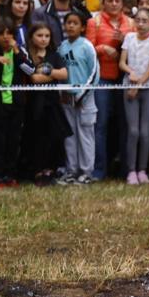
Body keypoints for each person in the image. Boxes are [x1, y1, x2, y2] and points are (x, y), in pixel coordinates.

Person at [86, 0, 132, 180]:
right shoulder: (93, 22)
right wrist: (103, 47)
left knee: (125, 124)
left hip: (125, 77)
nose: (113, 4)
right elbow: (87, 50)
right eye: (110, 0)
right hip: (102, 77)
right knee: (101, 124)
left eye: (117, 1)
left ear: (122, 4)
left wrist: (124, 42)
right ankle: (99, 170)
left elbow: (137, 48)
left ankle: (125, 170)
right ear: (103, 2)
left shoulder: (131, 23)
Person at [0, 19, 31, 188]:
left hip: (17, 103)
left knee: (14, 140)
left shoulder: (20, 51)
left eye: (9, 33)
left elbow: (30, 70)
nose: (5, 37)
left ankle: (10, 175)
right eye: (2, 33)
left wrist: (17, 52)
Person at [21, 22, 69, 184]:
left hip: (52, 102)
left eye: (47, 36)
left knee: (53, 137)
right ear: (32, 37)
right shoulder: (26, 54)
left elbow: (63, 74)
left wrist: (47, 71)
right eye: (39, 35)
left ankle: (50, 170)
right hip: (33, 103)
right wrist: (50, 75)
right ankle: (36, 170)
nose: (43, 39)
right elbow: (34, 78)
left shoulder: (54, 54)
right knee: (36, 137)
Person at [120, 7, 149, 185]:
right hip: (129, 86)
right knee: (133, 130)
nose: (141, 24)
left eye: (145, 21)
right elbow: (122, 62)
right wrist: (131, 73)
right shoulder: (129, 37)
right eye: (138, 20)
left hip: (147, 86)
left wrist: (139, 83)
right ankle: (131, 171)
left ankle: (142, 170)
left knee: (145, 131)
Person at [58, 11, 98, 185]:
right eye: (68, 23)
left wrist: (82, 94)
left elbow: (95, 73)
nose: (71, 26)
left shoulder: (87, 46)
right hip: (66, 98)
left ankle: (86, 171)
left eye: (75, 23)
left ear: (82, 27)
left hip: (85, 99)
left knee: (85, 134)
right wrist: (63, 92)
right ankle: (71, 170)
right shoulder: (62, 47)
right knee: (70, 135)